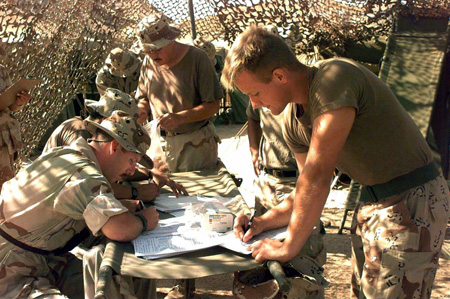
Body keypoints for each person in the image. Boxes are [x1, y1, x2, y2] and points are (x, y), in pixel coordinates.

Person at [221, 25, 450, 299]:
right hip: (372, 203)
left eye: (255, 93)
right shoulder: (293, 121)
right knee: (365, 293)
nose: (254, 105)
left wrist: (288, 247)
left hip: (414, 200)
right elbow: (304, 189)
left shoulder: (334, 78)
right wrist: (263, 222)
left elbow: (318, 177)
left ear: (279, 75)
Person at [0, 111, 159, 298]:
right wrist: (143, 220)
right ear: (114, 147)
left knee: (111, 279)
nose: (132, 171)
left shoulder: (68, 155)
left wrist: (122, 206)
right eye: (132, 161)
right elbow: (120, 228)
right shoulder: (84, 173)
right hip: (10, 270)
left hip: (41, 258)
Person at [43, 87, 187, 201]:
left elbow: (115, 168)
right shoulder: (78, 133)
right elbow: (89, 185)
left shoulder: (94, 137)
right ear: (109, 118)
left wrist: (150, 174)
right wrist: (135, 192)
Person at [135, 14, 223, 173]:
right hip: (160, 145)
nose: (153, 55)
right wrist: (142, 110)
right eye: (148, 51)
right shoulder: (148, 63)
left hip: (196, 146)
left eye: (158, 49)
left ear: (171, 40)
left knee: (199, 196)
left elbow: (213, 105)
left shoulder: (198, 59)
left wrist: (180, 118)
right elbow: (143, 98)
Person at [0, 41, 32, 190]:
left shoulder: (2, 71)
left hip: (4, 141)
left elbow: (11, 106)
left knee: (5, 189)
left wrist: (19, 101)